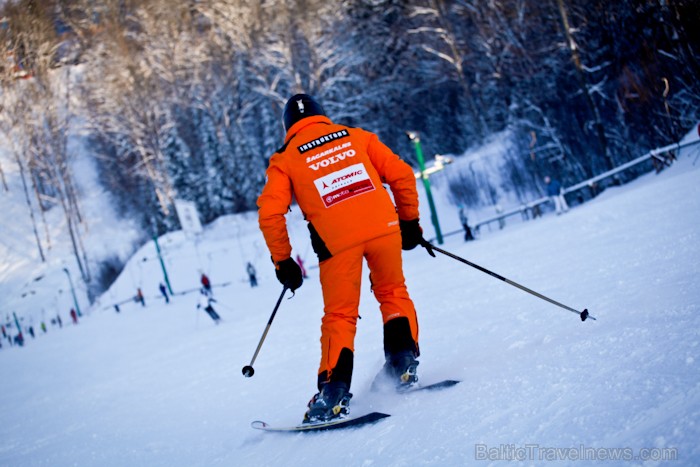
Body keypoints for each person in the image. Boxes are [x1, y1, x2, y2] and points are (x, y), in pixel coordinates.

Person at [257, 93, 433, 424]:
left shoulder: (285, 158)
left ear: (288, 127)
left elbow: (270, 214)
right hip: (383, 229)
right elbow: (402, 174)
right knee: (392, 292)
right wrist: (409, 224)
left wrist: (284, 262)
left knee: (340, 315)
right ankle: (402, 364)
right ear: (323, 115)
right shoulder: (356, 136)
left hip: (337, 244)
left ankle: (333, 395)